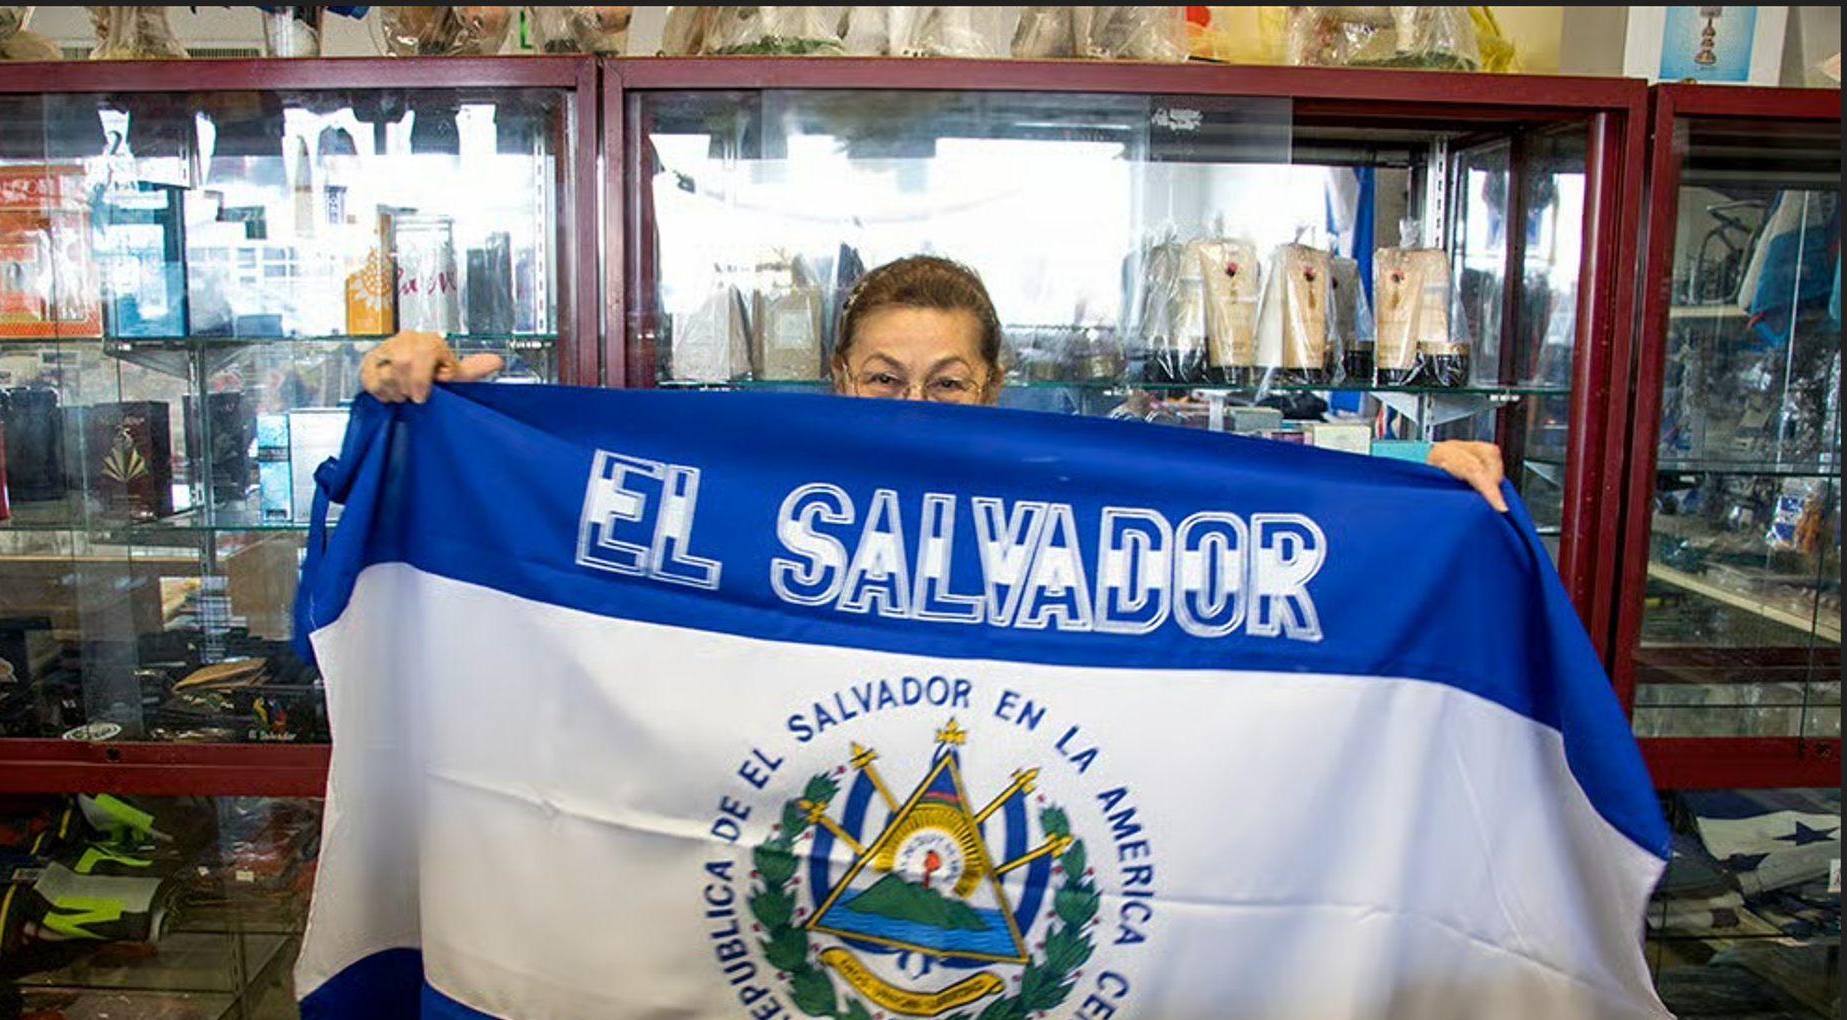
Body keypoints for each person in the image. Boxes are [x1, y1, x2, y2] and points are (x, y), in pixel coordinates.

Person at [359, 254, 1508, 510]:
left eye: (946, 383)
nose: (912, 410)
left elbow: (1243, 461)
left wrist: (1420, 465)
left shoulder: (1060, 452)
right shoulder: (776, 456)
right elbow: (578, 464)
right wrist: (442, 397)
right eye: (881, 380)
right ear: (831, 380)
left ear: (996, 385)